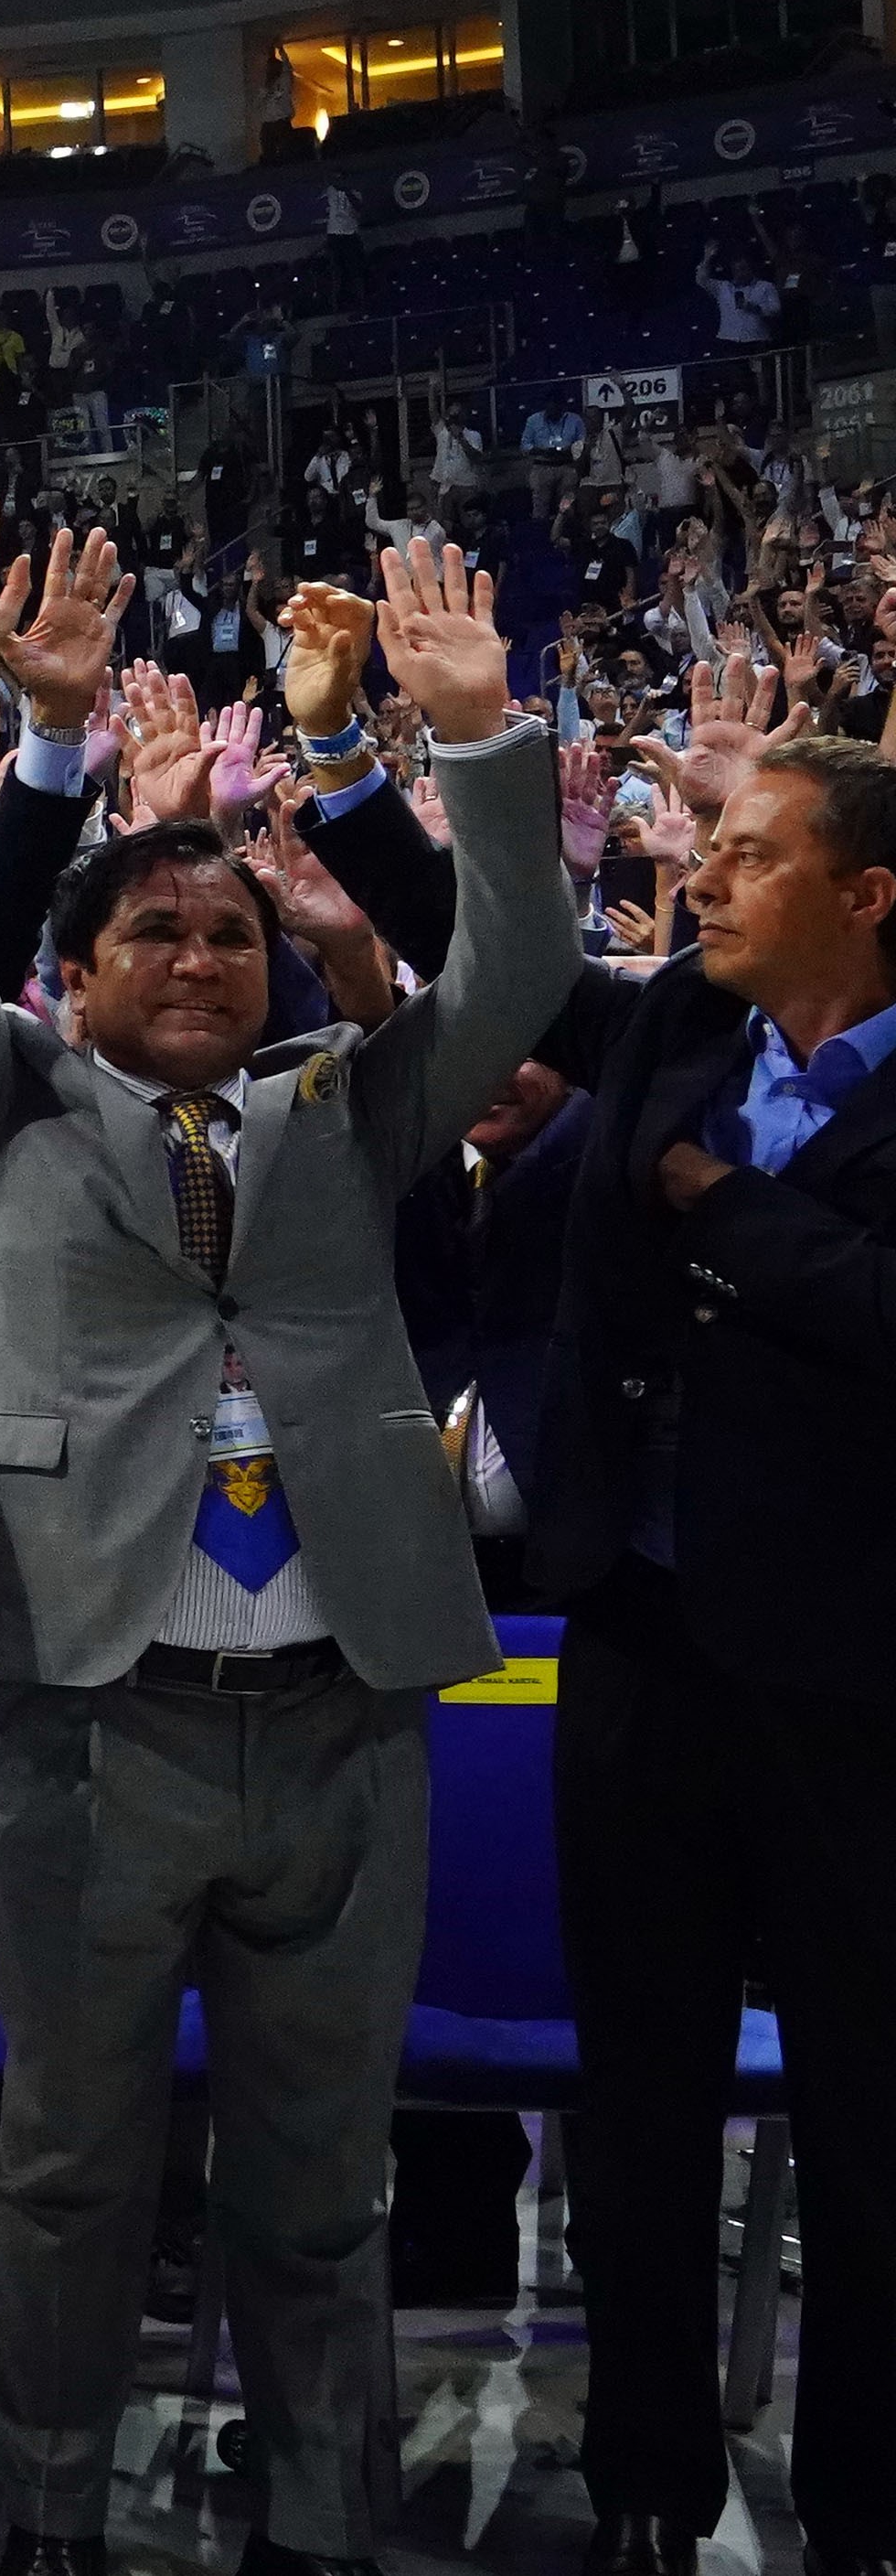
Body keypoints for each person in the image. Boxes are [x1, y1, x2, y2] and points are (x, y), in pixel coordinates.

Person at [0, 503, 568, 2576]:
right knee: (67, 2172)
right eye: (146, 939)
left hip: (341, 1715)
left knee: (316, 2177)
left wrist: (467, 745)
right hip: (85, 1724)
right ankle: (55, 2520)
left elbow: (514, 960)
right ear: (68, 986)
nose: (191, 960)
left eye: (223, 938)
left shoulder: (350, 1110)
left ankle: (321, 2521)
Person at [527, 713, 896, 2573]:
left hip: (856, 1683)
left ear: (864, 891)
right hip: (643, 1646)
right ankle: (647, 2489)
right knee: (638, 2112)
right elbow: (500, 949)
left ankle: (865, 2502)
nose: (703, 878)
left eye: (748, 853)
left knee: (866, 2122)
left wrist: (723, 1216)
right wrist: (392, 750)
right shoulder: (676, 1022)